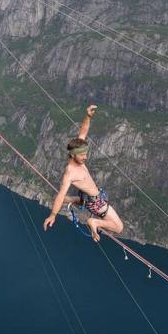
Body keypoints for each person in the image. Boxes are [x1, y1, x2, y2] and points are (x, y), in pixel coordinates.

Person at [43, 104, 124, 242]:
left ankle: (72, 200)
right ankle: (95, 223)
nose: (85, 157)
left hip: (89, 197)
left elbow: (83, 133)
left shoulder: (78, 155)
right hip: (96, 203)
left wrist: (88, 117)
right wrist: (53, 214)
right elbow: (60, 193)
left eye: (86, 154)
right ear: (74, 155)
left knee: (79, 199)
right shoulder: (70, 172)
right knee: (119, 227)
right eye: (82, 155)